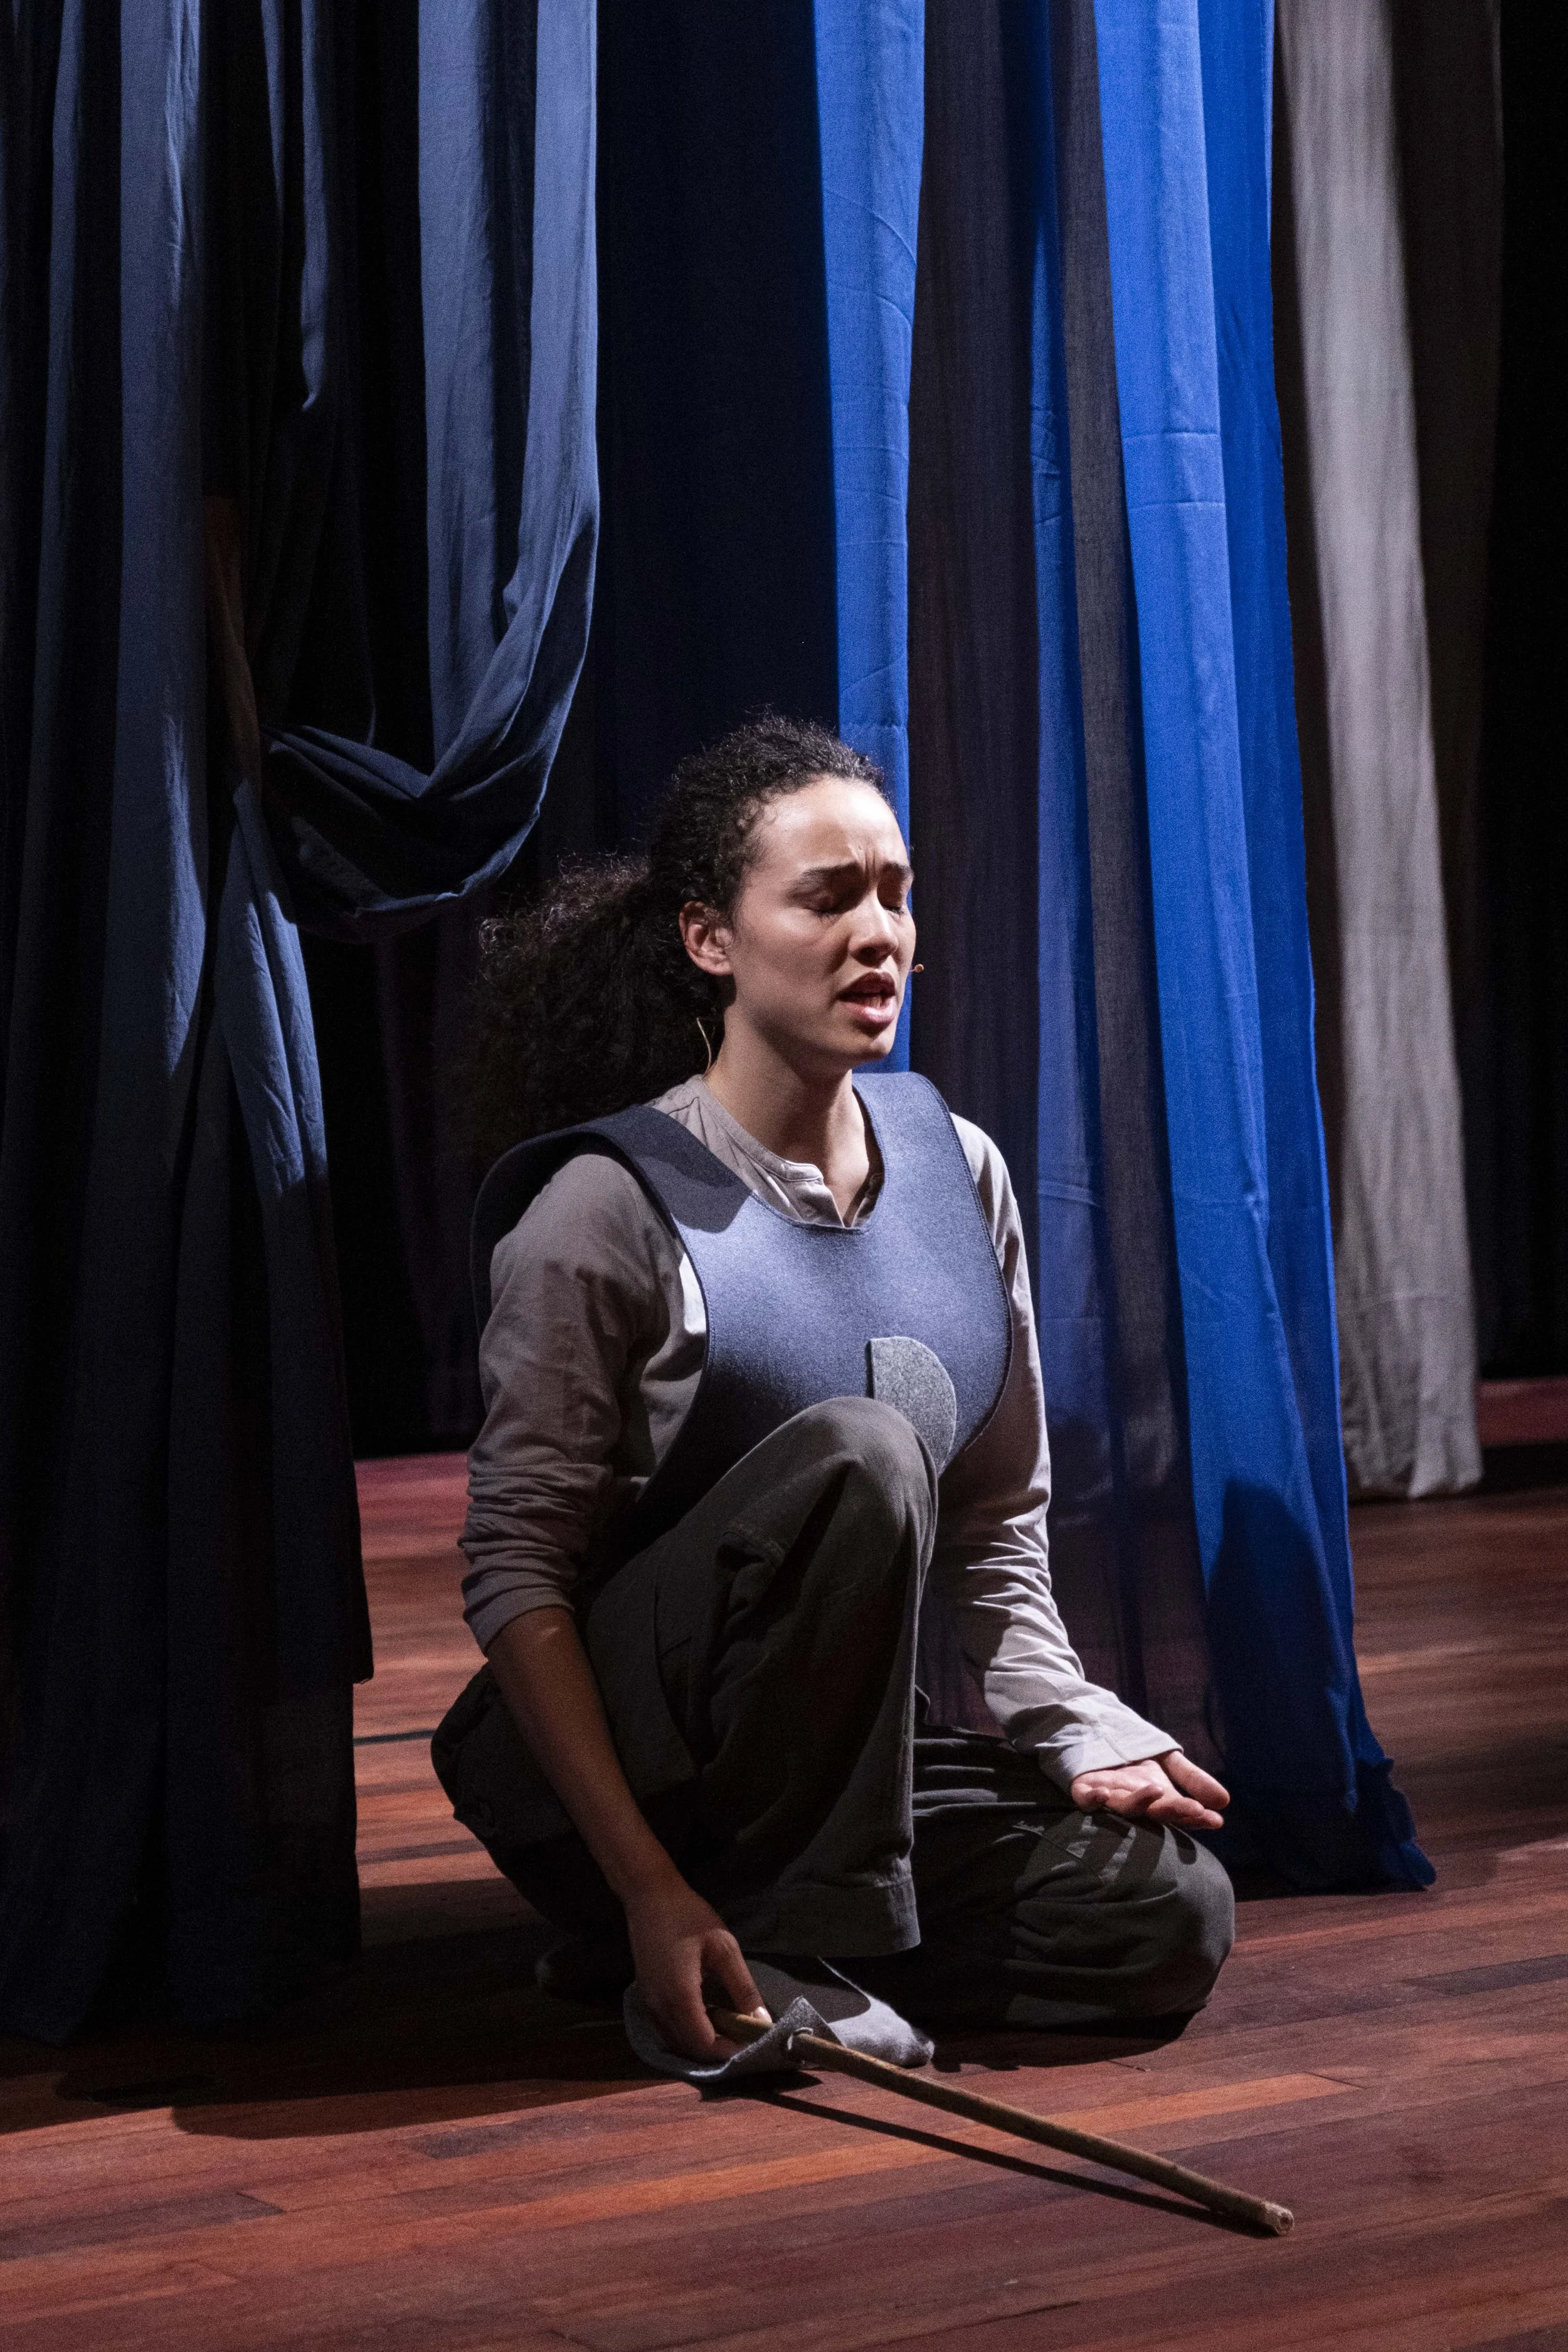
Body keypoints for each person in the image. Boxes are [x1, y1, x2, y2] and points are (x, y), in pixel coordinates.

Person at [433, 715, 1234, 2066]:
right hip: (612, 1774)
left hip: (826, 1775)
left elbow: (996, 1519)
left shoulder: (959, 1168)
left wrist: (1070, 1721)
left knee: (1169, 1911)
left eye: (894, 896)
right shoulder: (603, 1206)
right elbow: (516, 1573)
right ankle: (703, 1928)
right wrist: (643, 1880)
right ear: (709, 938)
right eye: (826, 899)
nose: (878, 936)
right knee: (864, 1448)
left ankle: (744, 1949)